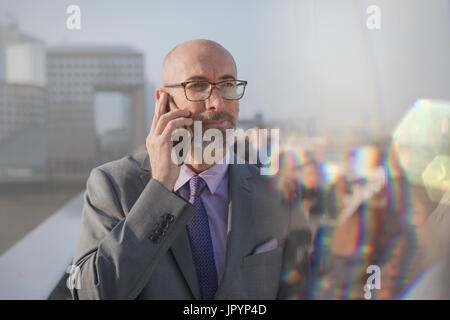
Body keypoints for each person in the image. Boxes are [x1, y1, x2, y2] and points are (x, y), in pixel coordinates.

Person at [70, 39, 311, 300]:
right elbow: (90, 294)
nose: (217, 103)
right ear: (164, 101)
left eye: (228, 85)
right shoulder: (113, 185)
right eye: (198, 86)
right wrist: (160, 189)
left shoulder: (278, 194)